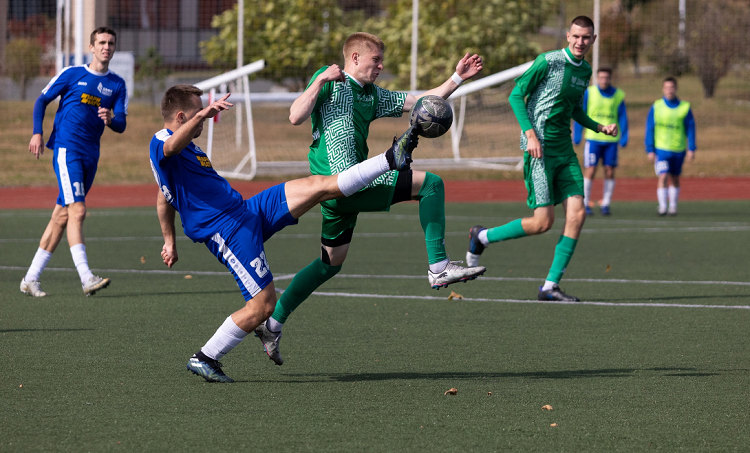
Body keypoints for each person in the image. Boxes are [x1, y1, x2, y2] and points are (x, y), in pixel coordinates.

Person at [150, 85, 418, 382]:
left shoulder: (187, 150)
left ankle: (390, 159)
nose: (203, 122)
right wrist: (203, 113)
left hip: (247, 211)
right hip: (226, 229)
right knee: (263, 306)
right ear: (181, 116)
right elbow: (170, 149)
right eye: (197, 116)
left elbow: (164, 197)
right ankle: (205, 357)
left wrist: (169, 241)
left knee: (317, 186)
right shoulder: (162, 142)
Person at [253, 32, 486, 366]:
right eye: (376, 59)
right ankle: (438, 266)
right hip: (345, 184)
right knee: (431, 185)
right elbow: (295, 115)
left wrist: (456, 78)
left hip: (344, 190)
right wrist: (320, 80)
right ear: (356, 58)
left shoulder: (372, 95)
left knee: (329, 264)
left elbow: (420, 102)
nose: (380, 66)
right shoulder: (330, 82)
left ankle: (272, 324)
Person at [465, 16, 618, 302]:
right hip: (539, 151)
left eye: (586, 37)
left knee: (578, 215)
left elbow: (573, 109)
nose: (580, 42)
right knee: (542, 223)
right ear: (568, 35)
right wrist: (531, 135)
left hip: (564, 153)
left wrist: (599, 127)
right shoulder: (547, 61)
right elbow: (516, 95)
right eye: (576, 36)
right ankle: (481, 237)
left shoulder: (584, 71)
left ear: (593, 40)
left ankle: (550, 286)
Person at [21, 27, 127, 298]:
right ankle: (86, 277)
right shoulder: (72, 74)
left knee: (62, 216)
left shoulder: (117, 84)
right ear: (92, 47)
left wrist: (110, 120)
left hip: (92, 154)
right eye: (101, 42)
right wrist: (37, 132)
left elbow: (122, 124)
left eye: (111, 43)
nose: (106, 47)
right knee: (78, 211)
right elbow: (41, 100)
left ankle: (31, 278)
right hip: (67, 150)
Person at [573, 66, 629, 216]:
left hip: (611, 140)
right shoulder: (589, 93)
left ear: (610, 78)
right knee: (590, 169)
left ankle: (606, 203)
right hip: (593, 139)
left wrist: (624, 135)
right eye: (601, 77)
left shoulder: (618, 95)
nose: (604, 80)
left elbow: (622, 116)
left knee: (609, 171)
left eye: (607, 77)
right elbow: (580, 113)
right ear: (597, 78)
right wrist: (577, 133)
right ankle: (585, 203)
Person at [645, 77, 696, 216]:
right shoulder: (657, 106)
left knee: (675, 178)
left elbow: (690, 128)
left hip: (678, 149)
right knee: (663, 175)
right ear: (663, 89)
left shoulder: (684, 107)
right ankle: (662, 207)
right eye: (666, 87)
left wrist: (691, 148)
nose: (669, 90)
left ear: (676, 88)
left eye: (672, 87)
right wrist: (650, 149)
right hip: (661, 150)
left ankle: (673, 206)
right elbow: (650, 128)